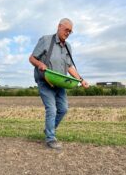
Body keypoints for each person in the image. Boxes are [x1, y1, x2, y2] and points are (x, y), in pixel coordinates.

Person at [29, 18, 89, 149]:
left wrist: (81, 79)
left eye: (70, 32)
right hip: (46, 81)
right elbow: (32, 58)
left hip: (60, 83)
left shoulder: (68, 47)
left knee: (63, 109)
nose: (68, 33)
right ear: (59, 27)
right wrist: (40, 64)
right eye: (66, 30)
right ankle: (51, 139)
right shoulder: (45, 40)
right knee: (52, 109)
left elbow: (69, 67)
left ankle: (49, 129)